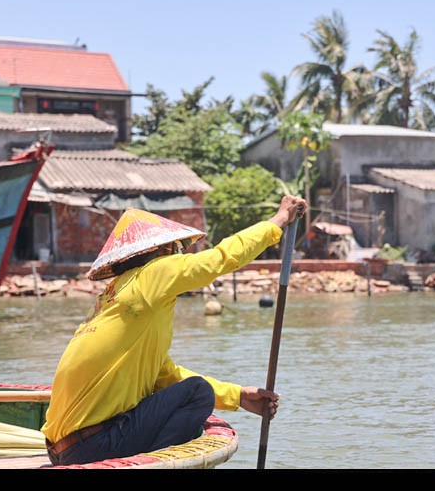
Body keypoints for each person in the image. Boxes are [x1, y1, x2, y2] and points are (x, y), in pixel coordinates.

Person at [41, 194, 306, 466]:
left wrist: (237, 396)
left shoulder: (119, 297)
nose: (181, 256)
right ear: (161, 252)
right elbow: (219, 259)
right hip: (95, 444)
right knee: (197, 393)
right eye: (176, 249)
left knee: (191, 390)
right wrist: (278, 221)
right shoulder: (152, 273)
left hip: (63, 449)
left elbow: (167, 376)